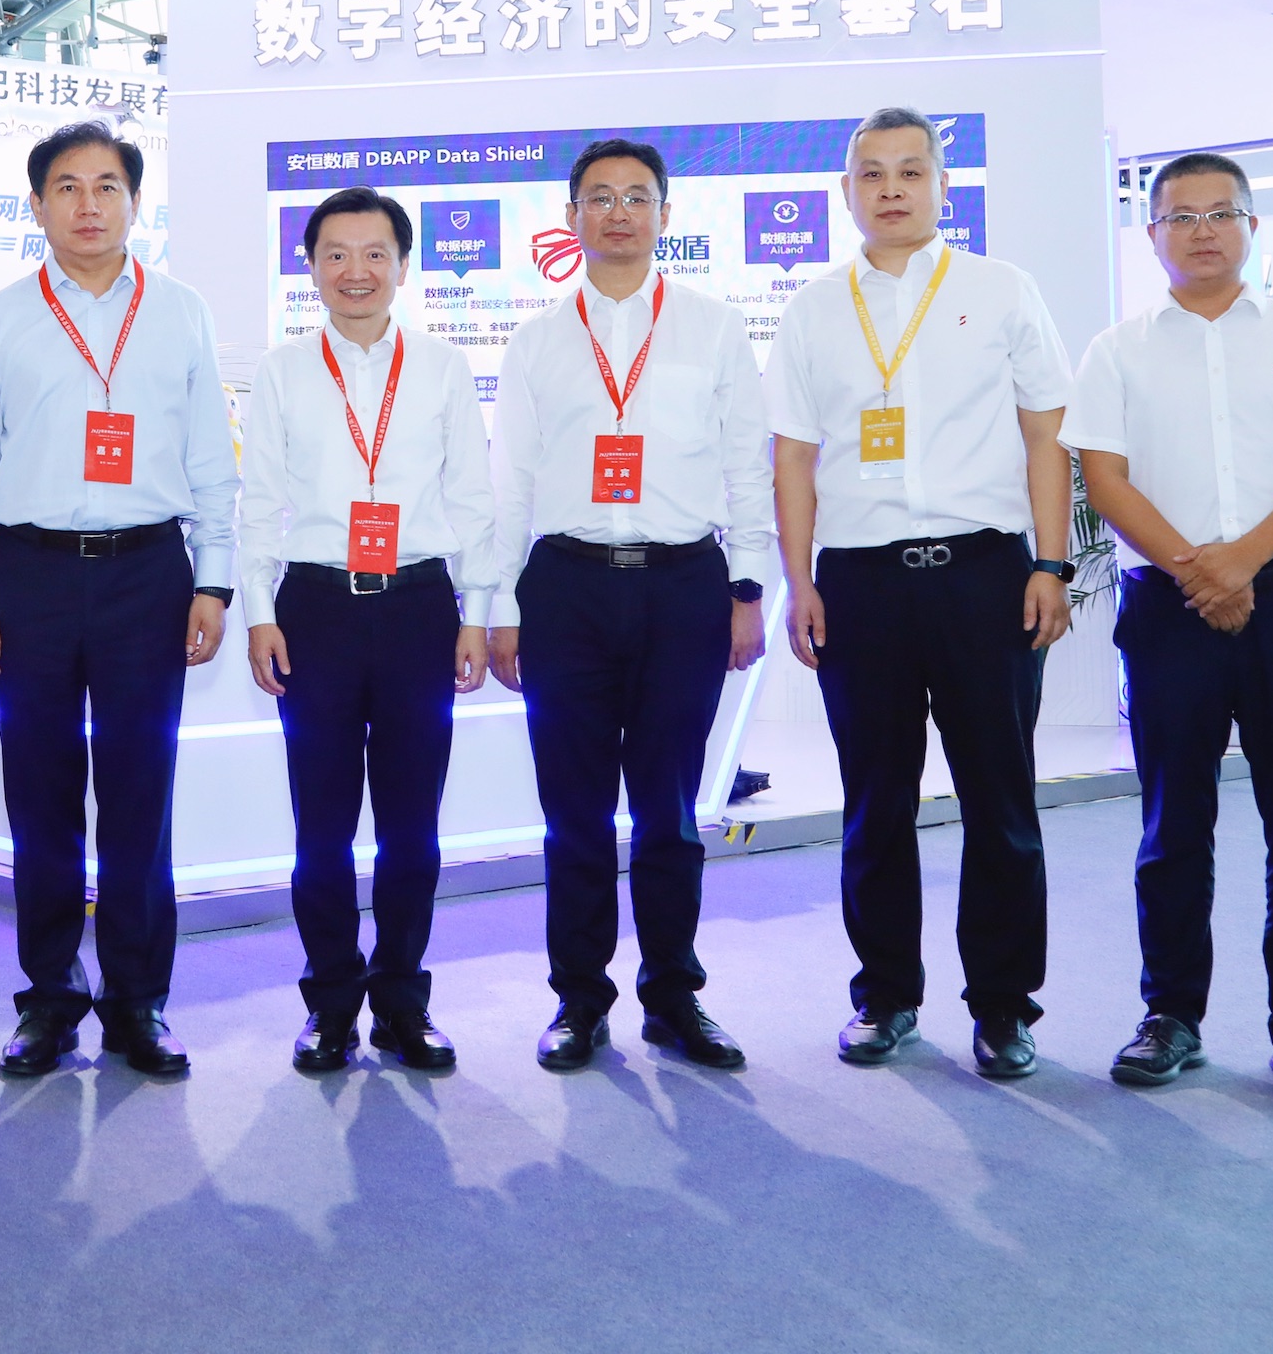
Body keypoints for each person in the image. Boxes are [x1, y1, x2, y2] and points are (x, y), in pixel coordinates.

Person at [1065, 152, 1273, 1101]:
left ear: (1249, 225)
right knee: (1173, 824)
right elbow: (1105, 479)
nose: (1201, 230)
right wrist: (1198, 571)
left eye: (1220, 213)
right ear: (1152, 233)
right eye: (1181, 216)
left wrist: (1238, 563)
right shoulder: (1117, 350)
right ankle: (1171, 1016)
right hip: (1169, 607)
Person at [769, 106, 1074, 1078]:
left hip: (985, 577)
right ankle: (886, 996)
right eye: (872, 173)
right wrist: (799, 582)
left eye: (910, 171)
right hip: (860, 586)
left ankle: (1003, 1007)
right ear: (847, 191)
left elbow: (1046, 435)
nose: (891, 188)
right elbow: (793, 457)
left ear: (943, 185)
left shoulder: (1000, 288)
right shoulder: (814, 308)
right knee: (876, 804)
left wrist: (1051, 564)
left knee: (1000, 801)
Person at [0, 121, 238, 1079]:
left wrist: (213, 579)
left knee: (138, 797)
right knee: (38, 800)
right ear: (37, 205)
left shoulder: (181, 311)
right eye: (68, 188)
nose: (88, 205)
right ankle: (49, 999)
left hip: (147, 574)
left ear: (134, 202)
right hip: (29, 575)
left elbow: (211, 460)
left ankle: (137, 1002)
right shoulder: (1, 319)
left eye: (107, 186)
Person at [487, 139, 773, 1076]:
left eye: (637, 197)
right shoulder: (536, 339)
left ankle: (673, 995)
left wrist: (746, 589)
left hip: (682, 588)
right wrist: (500, 606)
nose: (619, 213)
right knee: (573, 814)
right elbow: (510, 481)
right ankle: (579, 999)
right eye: (600, 197)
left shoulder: (713, 328)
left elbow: (746, 467)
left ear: (665, 215)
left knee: (669, 811)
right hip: (565, 589)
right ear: (571, 215)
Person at [241, 187, 493, 1075]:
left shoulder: (443, 368)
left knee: (412, 826)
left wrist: (475, 615)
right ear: (310, 267)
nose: (357, 271)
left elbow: (473, 499)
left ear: (403, 265)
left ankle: (402, 1001)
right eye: (337, 254)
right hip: (314, 610)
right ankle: (330, 1003)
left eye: (375, 253)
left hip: (420, 607)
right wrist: (261, 613)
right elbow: (259, 503)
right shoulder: (282, 371)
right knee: (321, 826)